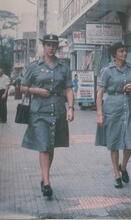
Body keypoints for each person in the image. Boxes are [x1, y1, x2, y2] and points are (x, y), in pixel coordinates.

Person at [20, 34, 75, 197]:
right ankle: (47, 182)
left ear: (57, 47)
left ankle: (43, 176)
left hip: (57, 110)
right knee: (44, 144)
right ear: (43, 46)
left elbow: (69, 89)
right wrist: (36, 90)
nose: (51, 48)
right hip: (39, 111)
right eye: (48, 45)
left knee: (50, 145)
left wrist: (71, 107)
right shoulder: (34, 66)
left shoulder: (64, 67)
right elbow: (23, 87)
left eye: (54, 45)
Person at [95, 41, 131, 189]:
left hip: (128, 106)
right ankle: (116, 175)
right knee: (114, 143)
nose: (124, 54)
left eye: (125, 51)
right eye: (121, 51)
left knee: (130, 140)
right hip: (112, 107)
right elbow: (100, 93)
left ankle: (123, 166)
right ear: (115, 54)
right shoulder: (107, 70)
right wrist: (100, 114)